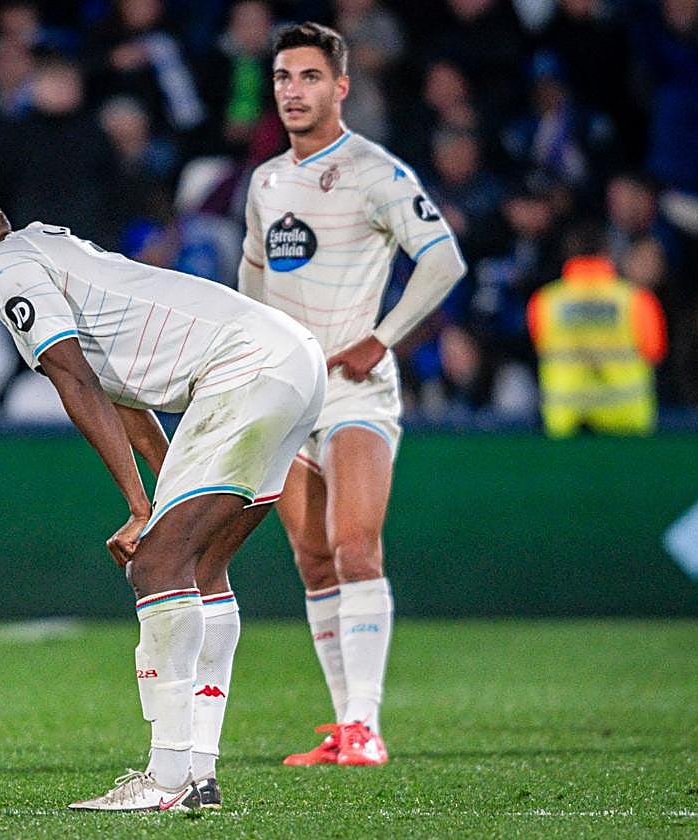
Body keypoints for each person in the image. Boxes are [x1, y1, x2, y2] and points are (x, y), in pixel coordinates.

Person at [0, 194, 326, 811]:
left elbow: (76, 381)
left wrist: (141, 511)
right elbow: (123, 392)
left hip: (248, 369)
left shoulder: (4, 269)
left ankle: (164, 781)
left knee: (157, 566)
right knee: (201, 567)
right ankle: (199, 775)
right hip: (292, 363)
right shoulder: (48, 252)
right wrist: (155, 502)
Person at [238, 22, 466, 767]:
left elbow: (443, 261)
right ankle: (345, 725)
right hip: (289, 399)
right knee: (312, 560)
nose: (293, 91)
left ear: (340, 87)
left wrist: (384, 337)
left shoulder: (376, 172)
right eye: (282, 78)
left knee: (354, 545)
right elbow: (252, 277)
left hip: (356, 392)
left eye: (308, 77)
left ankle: (367, 725)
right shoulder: (267, 182)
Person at [527, 244, 667, 437]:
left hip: (566, 424)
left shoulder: (544, 300)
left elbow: (539, 348)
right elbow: (655, 353)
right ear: (607, 254)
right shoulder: (637, 299)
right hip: (627, 423)